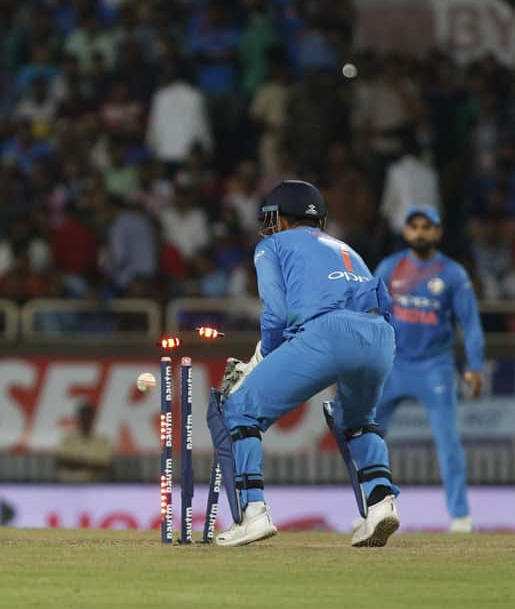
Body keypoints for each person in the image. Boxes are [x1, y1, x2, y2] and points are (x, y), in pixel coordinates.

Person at [207, 180, 400, 547]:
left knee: (241, 409)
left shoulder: (272, 245)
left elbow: (276, 314)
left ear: (279, 218)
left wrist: (261, 359)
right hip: (381, 336)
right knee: (357, 421)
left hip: (329, 333)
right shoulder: (347, 248)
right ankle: (380, 503)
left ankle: (253, 513)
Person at [373, 205, 485, 533]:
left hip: (434, 367)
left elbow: (471, 325)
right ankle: (373, 510)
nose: (419, 232)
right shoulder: (390, 268)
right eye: (414, 226)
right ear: (406, 232)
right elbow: (367, 312)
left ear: (437, 232)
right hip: (393, 365)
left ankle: (460, 516)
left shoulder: (452, 274)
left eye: (427, 227)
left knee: (448, 442)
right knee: (369, 439)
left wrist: (475, 366)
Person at [56, 404, 112, 483]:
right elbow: (62, 462)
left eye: (89, 418)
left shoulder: (103, 441)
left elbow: (104, 467)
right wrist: (91, 465)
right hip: (68, 485)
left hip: (95, 486)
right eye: (84, 417)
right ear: (79, 419)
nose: (86, 420)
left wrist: (77, 463)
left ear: (93, 419)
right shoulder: (68, 440)